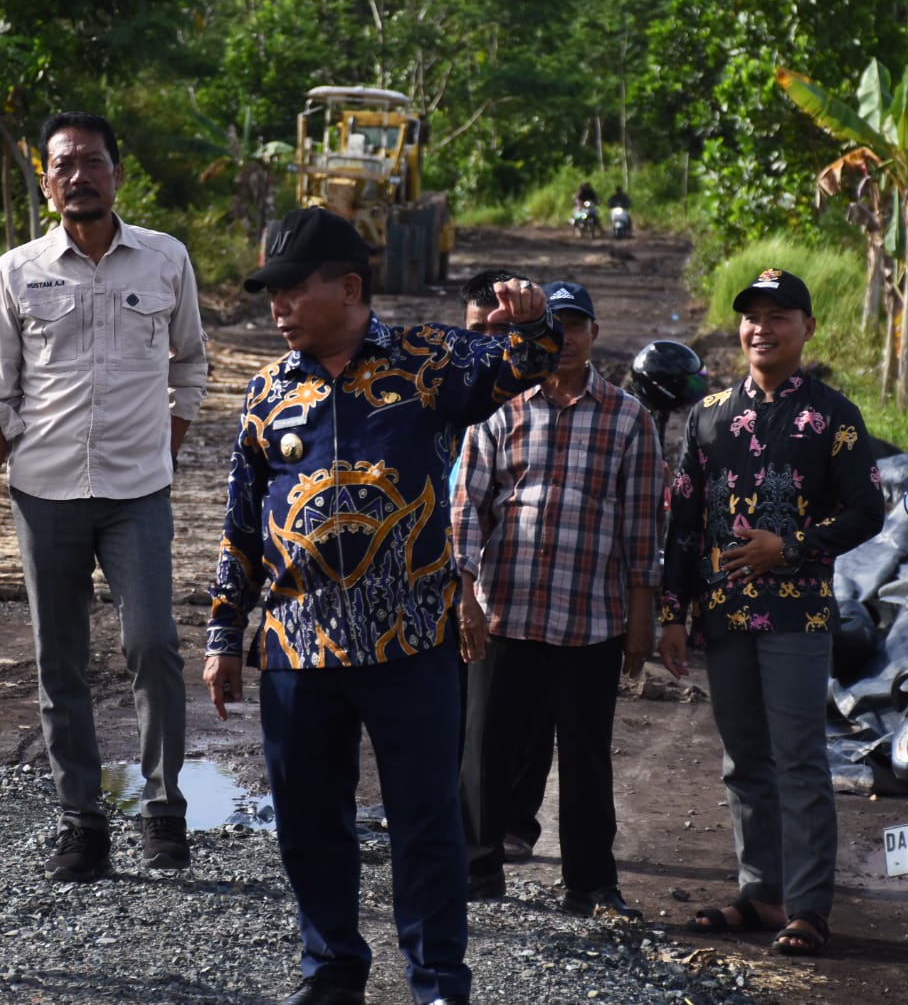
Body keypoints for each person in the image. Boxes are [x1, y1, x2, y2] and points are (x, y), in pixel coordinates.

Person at [203, 206, 559, 1005]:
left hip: (411, 645)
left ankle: (437, 981)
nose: (277, 306)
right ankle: (331, 969)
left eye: (293, 289)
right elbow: (241, 521)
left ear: (351, 286)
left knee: (426, 823)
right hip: (297, 649)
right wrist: (225, 631)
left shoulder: (428, 360)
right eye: (271, 291)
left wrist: (531, 319)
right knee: (307, 821)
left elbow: (525, 364)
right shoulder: (268, 391)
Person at [0, 111, 208, 878]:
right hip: (45, 492)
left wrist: (163, 448)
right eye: (64, 163)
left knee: (153, 645)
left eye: (94, 161)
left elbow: (192, 365)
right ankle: (82, 821)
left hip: (139, 493)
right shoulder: (16, 271)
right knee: (60, 663)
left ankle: (164, 811)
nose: (80, 175)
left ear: (118, 174)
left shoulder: (166, 260)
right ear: (46, 181)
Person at [657, 268, 884, 957]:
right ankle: (761, 892)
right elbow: (685, 520)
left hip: (796, 616)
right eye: (752, 316)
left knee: (800, 760)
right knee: (742, 760)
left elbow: (867, 511)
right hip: (724, 616)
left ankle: (809, 905)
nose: (762, 327)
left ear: (807, 328)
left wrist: (791, 547)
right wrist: (674, 612)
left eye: (779, 315)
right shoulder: (710, 413)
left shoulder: (834, 415)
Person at [454, 280, 663, 915]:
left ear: (595, 335)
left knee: (585, 756)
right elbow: (469, 507)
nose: (566, 338)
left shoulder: (629, 417)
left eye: (577, 325)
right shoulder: (499, 407)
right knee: (484, 750)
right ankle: (477, 870)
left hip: (590, 618)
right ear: (534, 333)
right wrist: (463, 594)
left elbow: (642, 524)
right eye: (556, 324)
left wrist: (641, 620)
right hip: (505, 613)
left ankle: (592, 883)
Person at [454, 269, 553, 866]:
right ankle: (455, 821)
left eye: (501, 332)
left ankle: (512, 821)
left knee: (519, 713)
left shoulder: (525, 405)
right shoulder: (437, 392)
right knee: (447, 708)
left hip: (505, 583)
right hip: (433, 569)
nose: (486, 348)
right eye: (474, 333)